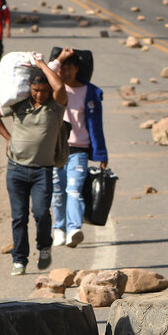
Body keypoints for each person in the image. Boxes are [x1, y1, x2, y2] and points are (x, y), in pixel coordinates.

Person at [0, 51, 70, 275]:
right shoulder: (19, 104)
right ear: (29, 90)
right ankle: (19, 259)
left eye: (44, 91)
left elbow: (59, 88)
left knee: (42, 213)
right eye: (36, 91)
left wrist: (41, 63)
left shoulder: (55, 106)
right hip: (16, 169)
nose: (41, 95)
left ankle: (44, 247)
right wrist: (8, 137)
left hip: (43, 171)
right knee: (19, 216)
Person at [50, 49, 107, 249]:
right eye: (63, 68)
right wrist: (60, 58)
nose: (65, 72)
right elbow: (47, 72)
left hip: (78, 150)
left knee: (73, 190)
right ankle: (58, 229)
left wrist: (101, 154)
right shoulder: (53, 89)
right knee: (57, 191)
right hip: (56, 149)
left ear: (77, 69)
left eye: (70, 68)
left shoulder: (89, 92)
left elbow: (95, 126)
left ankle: (74, 228)